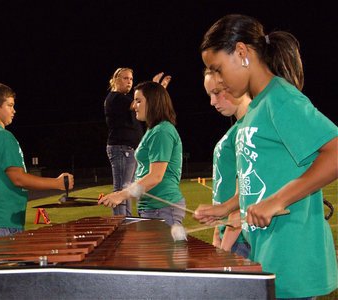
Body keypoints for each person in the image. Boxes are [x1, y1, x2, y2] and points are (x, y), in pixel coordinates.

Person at [194, 14, 338, 299]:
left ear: (242, 52)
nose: (218, 80)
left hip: (291, 255)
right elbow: (258, 179)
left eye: (218, 69)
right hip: (266, 251)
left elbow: (334, 152)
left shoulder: (280, 99)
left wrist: (277, 201)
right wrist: (225, 208)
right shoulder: (254, 112)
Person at [0, 83, 74, 241]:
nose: (14, 110)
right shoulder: (1, 136)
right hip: (1, 218)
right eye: (10, 105)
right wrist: (57, 183)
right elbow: (18, 178)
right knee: (1, 265)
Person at [100, 81, 185, 226]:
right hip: (151, 208)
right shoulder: (153, 130)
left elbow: (155, 176)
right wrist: (119, 193)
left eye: (139, 101)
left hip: (162, 208)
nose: (134, 105)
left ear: (152, 103)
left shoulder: (162, 131)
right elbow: (145, 172)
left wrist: (121, 195)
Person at [104, 68, 171, 216]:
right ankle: (121, 224)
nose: (129, 82)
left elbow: (145, 104)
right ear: (115, 80)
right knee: (122, 189)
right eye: (125, 78)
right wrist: (154, 89)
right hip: (122, 149)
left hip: (129, 149)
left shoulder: (124, 98)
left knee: (127, 189)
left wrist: (156, 91)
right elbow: (139, 103)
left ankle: (125, 222)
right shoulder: (116, 97)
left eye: (131, 79)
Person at [203, 68, 251, 258]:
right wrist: (217, 233)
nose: (212, 102)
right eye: (210, 95)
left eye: (216, 93)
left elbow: (245, 195)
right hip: (228, 236)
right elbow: (224, 190)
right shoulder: (235, 130)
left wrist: (224, 248)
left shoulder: (249, 130)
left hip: (240, 242)